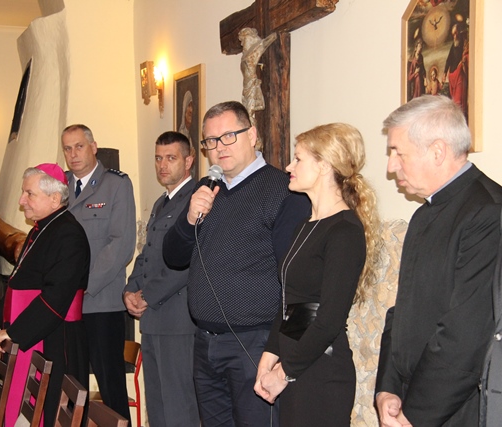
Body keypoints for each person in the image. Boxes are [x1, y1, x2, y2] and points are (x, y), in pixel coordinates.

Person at [162, 101, 311, 426]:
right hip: (205, 341)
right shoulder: (206, 189)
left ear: (252, 135)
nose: (220, 147)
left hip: (255, 343)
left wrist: (282, 356)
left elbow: (299, 283)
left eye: (229, 136)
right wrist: (189, 219)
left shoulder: (283, 190)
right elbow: (173, 257)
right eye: (211, 141)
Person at [375, 95, 502, 426]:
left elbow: (466, 335)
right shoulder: (423, 214)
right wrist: (388, 388)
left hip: (457, 409)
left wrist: (414, 416)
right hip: (413, 399)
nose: (391, 166)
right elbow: (404, 309)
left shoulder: (489, 213)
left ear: (437, 151)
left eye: (398, 153)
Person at [254, 123, 382, 426]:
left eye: (298, 159)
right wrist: (269, 356)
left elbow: (328, 320)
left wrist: (283, 372)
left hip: (322, 374)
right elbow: (295, 305)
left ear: (324, 166)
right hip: (297, 365)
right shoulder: (306, 224)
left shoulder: (344, 230)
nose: (289, 167)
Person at [0, 164, 90, 427]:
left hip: (56, 339)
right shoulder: (41, 229)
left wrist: (14, 333)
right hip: (33, 332)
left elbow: (56, 297)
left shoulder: (69, 234)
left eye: (29, 194)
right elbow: (17, 283)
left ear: (54, 198)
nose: (21, 200)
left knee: (51, 412)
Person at [123, 131, 200, 427]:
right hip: (154, 320)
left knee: (179, 407)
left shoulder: (195, 200)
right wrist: (130, 289)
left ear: (189, 161)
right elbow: (147, 254)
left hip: (178, 321)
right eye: (158, 158)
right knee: (157, 405)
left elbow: (187, 263)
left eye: (171, 158)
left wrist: (147, 295)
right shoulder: (161, 202)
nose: (162, 165)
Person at [62, 124, 135, 423]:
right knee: (72, 386)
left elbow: (121, 246)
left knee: (111, 387)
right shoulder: (59, 186)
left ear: (93, 147)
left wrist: (83, 286)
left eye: (79, 146)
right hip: (66, 306)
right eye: (67, 148)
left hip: (101, 302)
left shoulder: (115, 184)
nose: (73, 154)